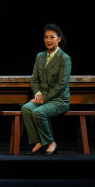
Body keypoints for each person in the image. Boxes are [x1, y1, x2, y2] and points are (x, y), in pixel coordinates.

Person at [21, 24, 70, 155]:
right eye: (46, 37)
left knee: (38, 112)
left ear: (59, 39)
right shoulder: (40, 56)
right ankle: (38, 141)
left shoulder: (64, 58)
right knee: (26, 108)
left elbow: (61, 85)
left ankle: (51, 142)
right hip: (42, 98)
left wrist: (44, 98)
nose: (48, 40)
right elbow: (34, 78)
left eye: (52, 37)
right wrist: (37, 93)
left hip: (58, 100)